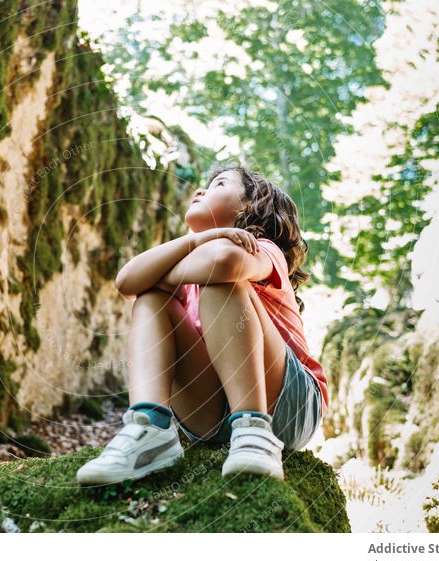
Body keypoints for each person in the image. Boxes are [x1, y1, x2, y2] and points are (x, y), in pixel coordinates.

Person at [76, 166, 328, 485]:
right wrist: (200, 240)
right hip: (211, 414)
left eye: (218, 185)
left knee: (219, 282)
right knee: (152, 299)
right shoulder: (191, 267)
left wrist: (165, 269)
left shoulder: (264, 250)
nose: (200, 192)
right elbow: (126, 282)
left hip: (288, 404)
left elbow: (223, 262)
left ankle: (254, 431)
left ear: (251, 206)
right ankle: (149, 429)